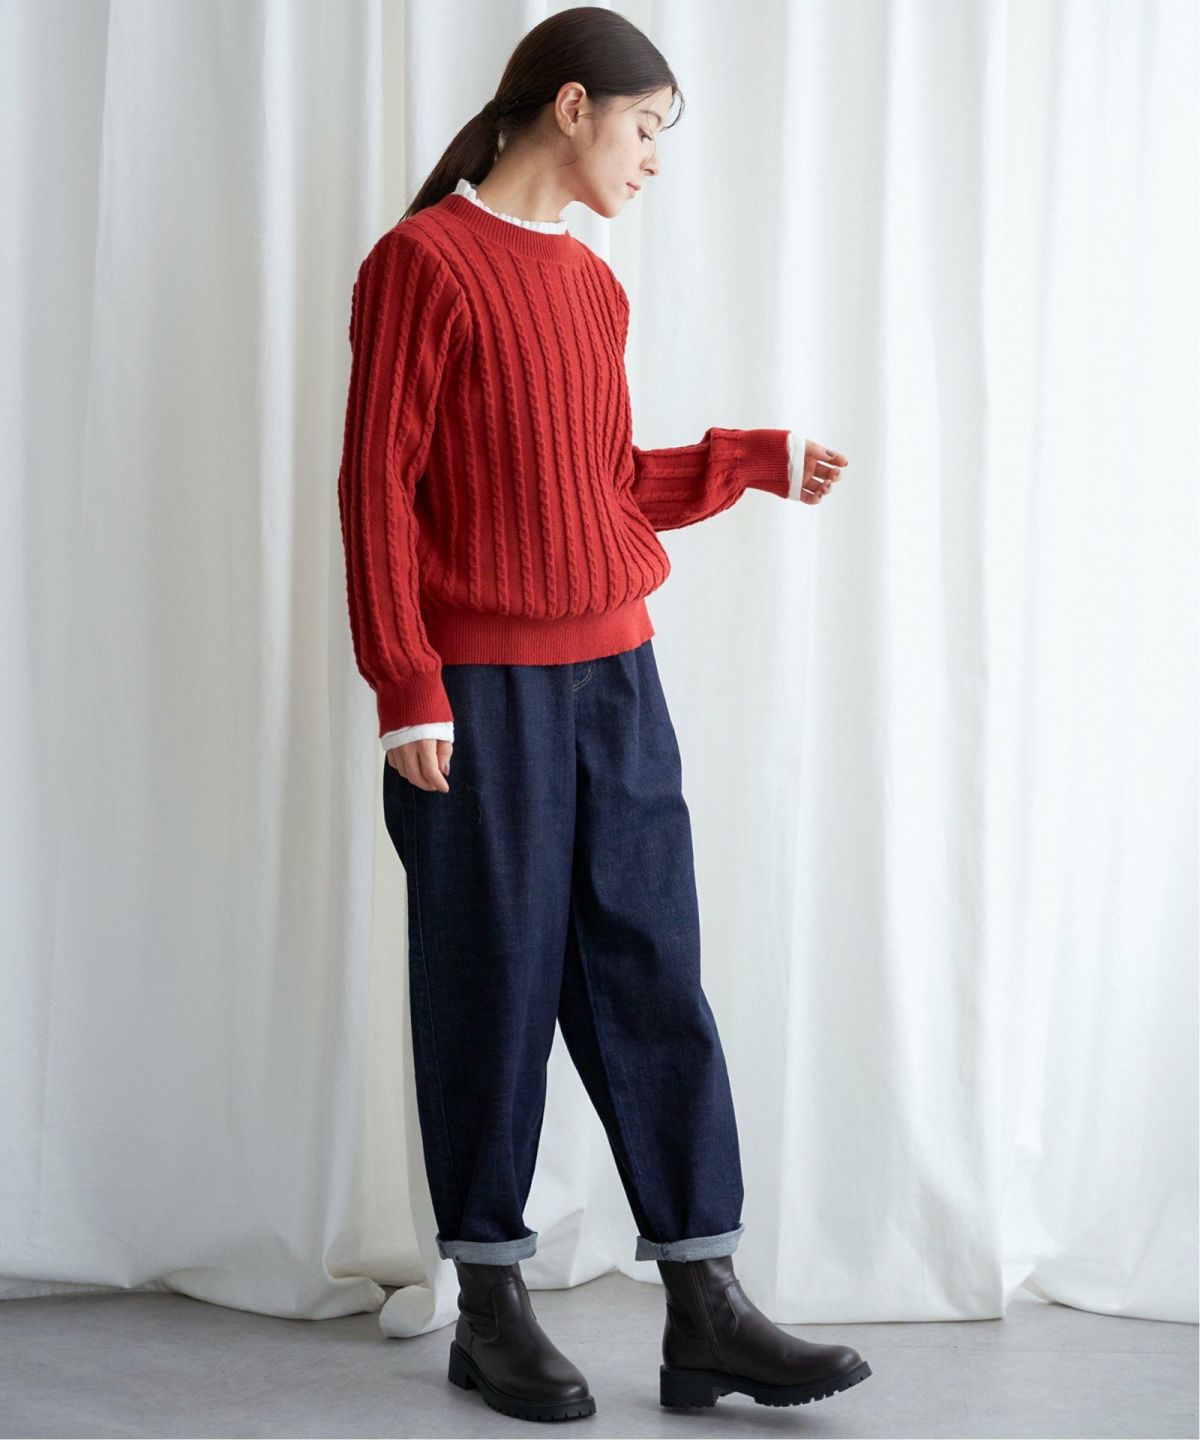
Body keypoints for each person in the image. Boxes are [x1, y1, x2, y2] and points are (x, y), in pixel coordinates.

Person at [336, 4, 868, 1423]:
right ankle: (490, 1305)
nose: (653, 159)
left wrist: (749, 458)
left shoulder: (590, 286)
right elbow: (378, 486)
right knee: (492, 981)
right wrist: (407, 685)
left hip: (618, 677)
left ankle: (707, 1304)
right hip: (479, 692)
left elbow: (595, 485)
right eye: (646, 127)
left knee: (652, 973)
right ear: (571, 105)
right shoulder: (421, 263)